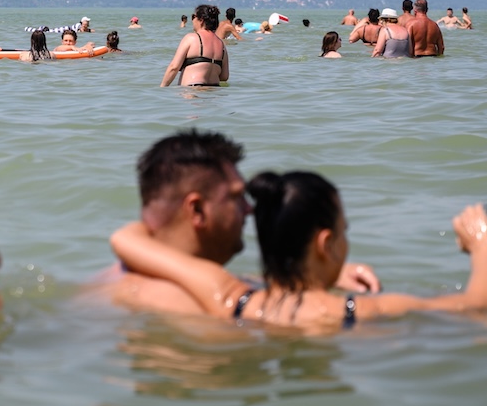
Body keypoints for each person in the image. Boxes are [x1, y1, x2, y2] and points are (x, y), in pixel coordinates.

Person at [112, 169, 487, 331]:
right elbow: (479, 306)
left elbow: (127, 239)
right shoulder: (360, 311)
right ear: (325, 244)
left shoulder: (229, 295)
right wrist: (483, 246)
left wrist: (321, 273)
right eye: (343, 232)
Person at [98, 130, 378, 315]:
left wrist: (311, 271)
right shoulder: (177, 303)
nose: (249, 209)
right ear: (196, 209)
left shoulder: (121, 274)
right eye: (235, 198)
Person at [160, 4, 227, 87]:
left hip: (193, 90)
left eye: (193, 17)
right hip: (214, 92)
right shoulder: (221, 44)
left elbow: (174, 67)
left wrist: (162, 88)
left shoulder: (192, 38)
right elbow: (224, 76)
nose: (192, 20)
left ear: (201, 20)